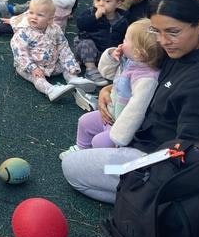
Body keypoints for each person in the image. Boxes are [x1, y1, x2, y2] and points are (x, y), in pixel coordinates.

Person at [62, 0, 199, 204]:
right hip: (134, 135)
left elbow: (190, 153)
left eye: (172, 32)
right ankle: (140, 196)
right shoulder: (180, 50)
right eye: (157, 31)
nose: (163, 41)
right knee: (87, 144)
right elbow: (140, 75)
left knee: (72, 167)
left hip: (148, 161)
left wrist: (142, 172)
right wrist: (109, 88)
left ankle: (149, 199)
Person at [60, 19, 163, 159]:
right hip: (110, 113)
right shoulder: (130, 62)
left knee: (100, 142)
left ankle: (94, 161)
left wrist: (119, 138)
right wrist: (112, 56)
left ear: (138, 53)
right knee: (84, 121)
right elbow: (106, 73)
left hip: (120, 125)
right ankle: (81, 149)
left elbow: (136, 111)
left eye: (126, 39)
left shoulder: (146, 79)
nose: (122, 42)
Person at [10, 0, 94, 102]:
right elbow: (20, 53)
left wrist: (71, 66)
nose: (33, 17)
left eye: (39, 15)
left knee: (65, 66)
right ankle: (51, 90)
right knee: (37, 78)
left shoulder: (55, 29)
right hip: (31, 66)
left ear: (50, 19)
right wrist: (32, 68)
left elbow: (64, 47)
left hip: (52, 63)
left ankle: (73, 79)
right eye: (31, 13)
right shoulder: (23, 33)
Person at [73, 0, 129, 85]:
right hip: (87, 50)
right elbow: (81, 25)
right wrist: (95, 16)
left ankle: (113, 68)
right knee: (87, 43)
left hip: (105, 53)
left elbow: (125, 35)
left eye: (107, 1)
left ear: (118, 3)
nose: (101, 4)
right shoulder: (90, 13)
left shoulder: (122, 19)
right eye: (97, 0)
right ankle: (90, 69)